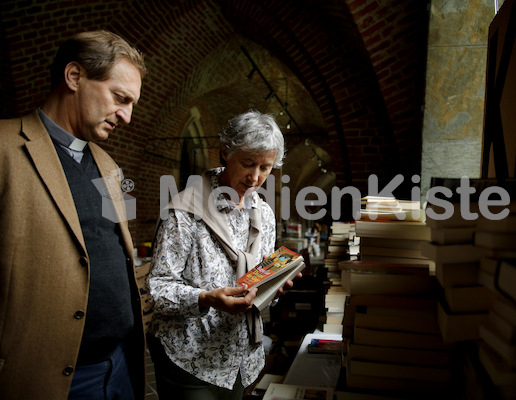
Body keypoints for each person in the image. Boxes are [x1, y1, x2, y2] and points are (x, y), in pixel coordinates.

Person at [0, 31, 147, 400]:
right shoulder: (3, 149)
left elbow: (120, 250)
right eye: (120, 98)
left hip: (120, 365)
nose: (127, 117)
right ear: (74, 77)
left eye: (132, 104)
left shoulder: (110, 166)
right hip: (50, 379)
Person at [147, 110, 300, 400]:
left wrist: (275, 287)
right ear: (225, 153)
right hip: (190, 357)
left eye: (266, 167)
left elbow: (260, 281)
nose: (256, 177)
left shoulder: (264, 214)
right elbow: (157, 289)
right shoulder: (184, 211)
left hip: (241, 358)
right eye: (248, 163)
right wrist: (205, 299)